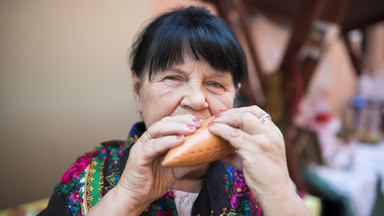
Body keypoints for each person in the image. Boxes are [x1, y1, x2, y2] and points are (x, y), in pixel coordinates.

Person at [39, 6, 311, 216]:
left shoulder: (258, 181)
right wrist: (127, 196)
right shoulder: (93, 168)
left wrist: (281, 192)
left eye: (215, 83)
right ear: (137, 91)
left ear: (234, 97)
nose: (196, 100)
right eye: (173, 77)